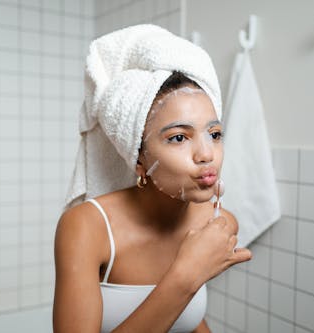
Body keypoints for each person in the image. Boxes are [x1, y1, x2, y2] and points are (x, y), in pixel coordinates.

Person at [52, 25, 252, 333]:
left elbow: (186, 318)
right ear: (139, 159)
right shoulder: (86, 227)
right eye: (178, 138)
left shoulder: (217, 224)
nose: (206, 153)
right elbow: (180, 293)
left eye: (214, 134)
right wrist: (187, 274)